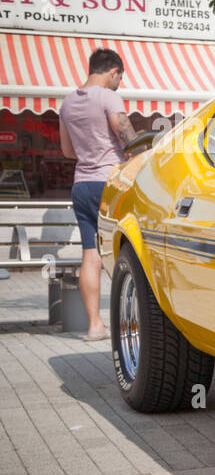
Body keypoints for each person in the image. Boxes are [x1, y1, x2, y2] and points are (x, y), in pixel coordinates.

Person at [59, 48, 134, 341]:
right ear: (113, 71)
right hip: (110, 183)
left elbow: (67, 152)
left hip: (81, 185)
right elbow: (125, 134)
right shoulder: (107, 96)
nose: (120, 84)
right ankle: (129, 323)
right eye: (120, 78)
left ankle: (94, 326)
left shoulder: (67, 103)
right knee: (125, 254)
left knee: (90, 255)